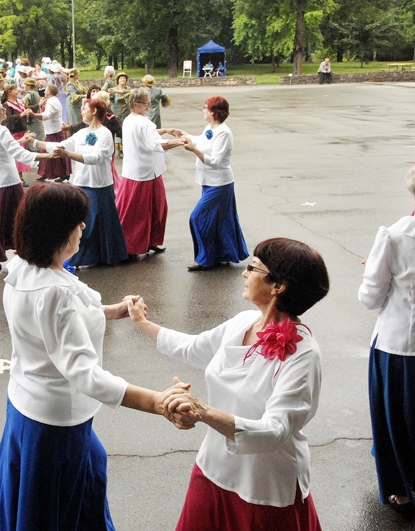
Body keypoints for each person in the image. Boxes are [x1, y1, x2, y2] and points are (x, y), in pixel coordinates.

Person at [0, 183, 181, 531]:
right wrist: (156, 401)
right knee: (61, 506)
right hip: (56, 418)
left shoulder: (23, 268)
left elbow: (71, 313)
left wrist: (115, 311)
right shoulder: (55, 292)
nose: (83, 228)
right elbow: (84, 373)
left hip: (27, 403)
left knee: (74, 481)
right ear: (58, 231)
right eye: (77, 222)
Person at [128, 237, 330, 531]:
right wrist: (142, 323)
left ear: (278, 286)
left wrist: (203, 412)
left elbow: (276, 430)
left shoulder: (303, 354)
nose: (244, 273)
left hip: (265, 486)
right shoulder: (244, 322)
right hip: (213, 469)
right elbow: (194, 348)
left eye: (254, 268)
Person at [359, 156, 415, 518]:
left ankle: (401, 493)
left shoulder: (392, 235)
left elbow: (370, 297)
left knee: (393, 421)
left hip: (398, 345)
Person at [33, 99, 128, 267]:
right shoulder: (81, 133)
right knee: (83, 225)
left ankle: (107, 256)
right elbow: (60, 145)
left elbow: (96, 158)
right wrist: (34, 143)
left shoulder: (105, 134)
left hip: (100, 185)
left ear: (95, 111)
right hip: (81, 184)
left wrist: (68, 154)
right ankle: (82, 258)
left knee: (100, 224)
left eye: (85, 109)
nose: (81, 111)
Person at [173, 96, 249, 271]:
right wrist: (185, 135)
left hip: (220, 184)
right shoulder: (210, 128)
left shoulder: (224, 132)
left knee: (198, 218)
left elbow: (215, 160)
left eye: (206, 108)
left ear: (215, 113)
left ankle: (204, 259)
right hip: (209, 182)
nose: (203, 110)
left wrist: (193, 150)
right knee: (219, 221)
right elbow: (202, 139)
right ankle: (221, 255)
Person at [0, 98, 51, 274]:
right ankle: (27, 252)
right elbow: (19, 154)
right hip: (7, 183)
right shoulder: (1, 131)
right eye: (0, 109)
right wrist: (47, 156)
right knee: (21, 219)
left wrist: (21, 141)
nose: (4, 110)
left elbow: (2, 149)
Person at [116, 88, 184, 257]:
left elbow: (147, 135)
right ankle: (137, 245)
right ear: (136, 104)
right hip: (146, 173)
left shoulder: (129, 120)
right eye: (146, 102)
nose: (149, 104)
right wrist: (179, 141)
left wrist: (165, 130)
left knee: (143, 210)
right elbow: (156, 145)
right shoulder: (144, 123)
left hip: (136, 171)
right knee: (148, 211)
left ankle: (142, 242)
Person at [26, 84, 71, 182]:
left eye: (46, 89)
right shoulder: (54, 100)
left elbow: (46, 116)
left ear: (49, 91)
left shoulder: (51, 102)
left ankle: (56, 173)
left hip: (54, 131)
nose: (44, 91)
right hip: (54, 129)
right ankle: (49, 173)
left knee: (54, 151)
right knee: (51, 151)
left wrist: (33, 114)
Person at [1, 85, 33, 187]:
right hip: (14, 132)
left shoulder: (19, 102)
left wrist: (37, 106)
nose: (17, 91)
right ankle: (19, 178)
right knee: (16, 155)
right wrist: (21, 115)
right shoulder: (6, 105)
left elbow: (26, 109)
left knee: (20, 155)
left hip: (22, 131)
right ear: (9, 92)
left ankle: (19, 177)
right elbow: (8, 119)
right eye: (15, 90)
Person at [109, 72, 131, 158]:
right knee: (118, 130)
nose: (123, 79)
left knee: (126, 130)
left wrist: (116, 91)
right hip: (116, 113)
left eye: (124, 78)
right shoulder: (114, 89)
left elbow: (128, 93)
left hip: (126, 113)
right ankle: (119, 150)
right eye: (121, 78)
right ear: (118, 80)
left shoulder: (128, 89)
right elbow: (110, 99)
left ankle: (125, 148)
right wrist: (110, 94)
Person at [21, 78, 44, 149]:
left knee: (34, 138)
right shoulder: (36, 92)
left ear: (28, 86)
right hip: (37, 117)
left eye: (24, 85)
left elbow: (23, 101)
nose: (23, 87)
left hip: (32, 119)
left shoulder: (30, 93)